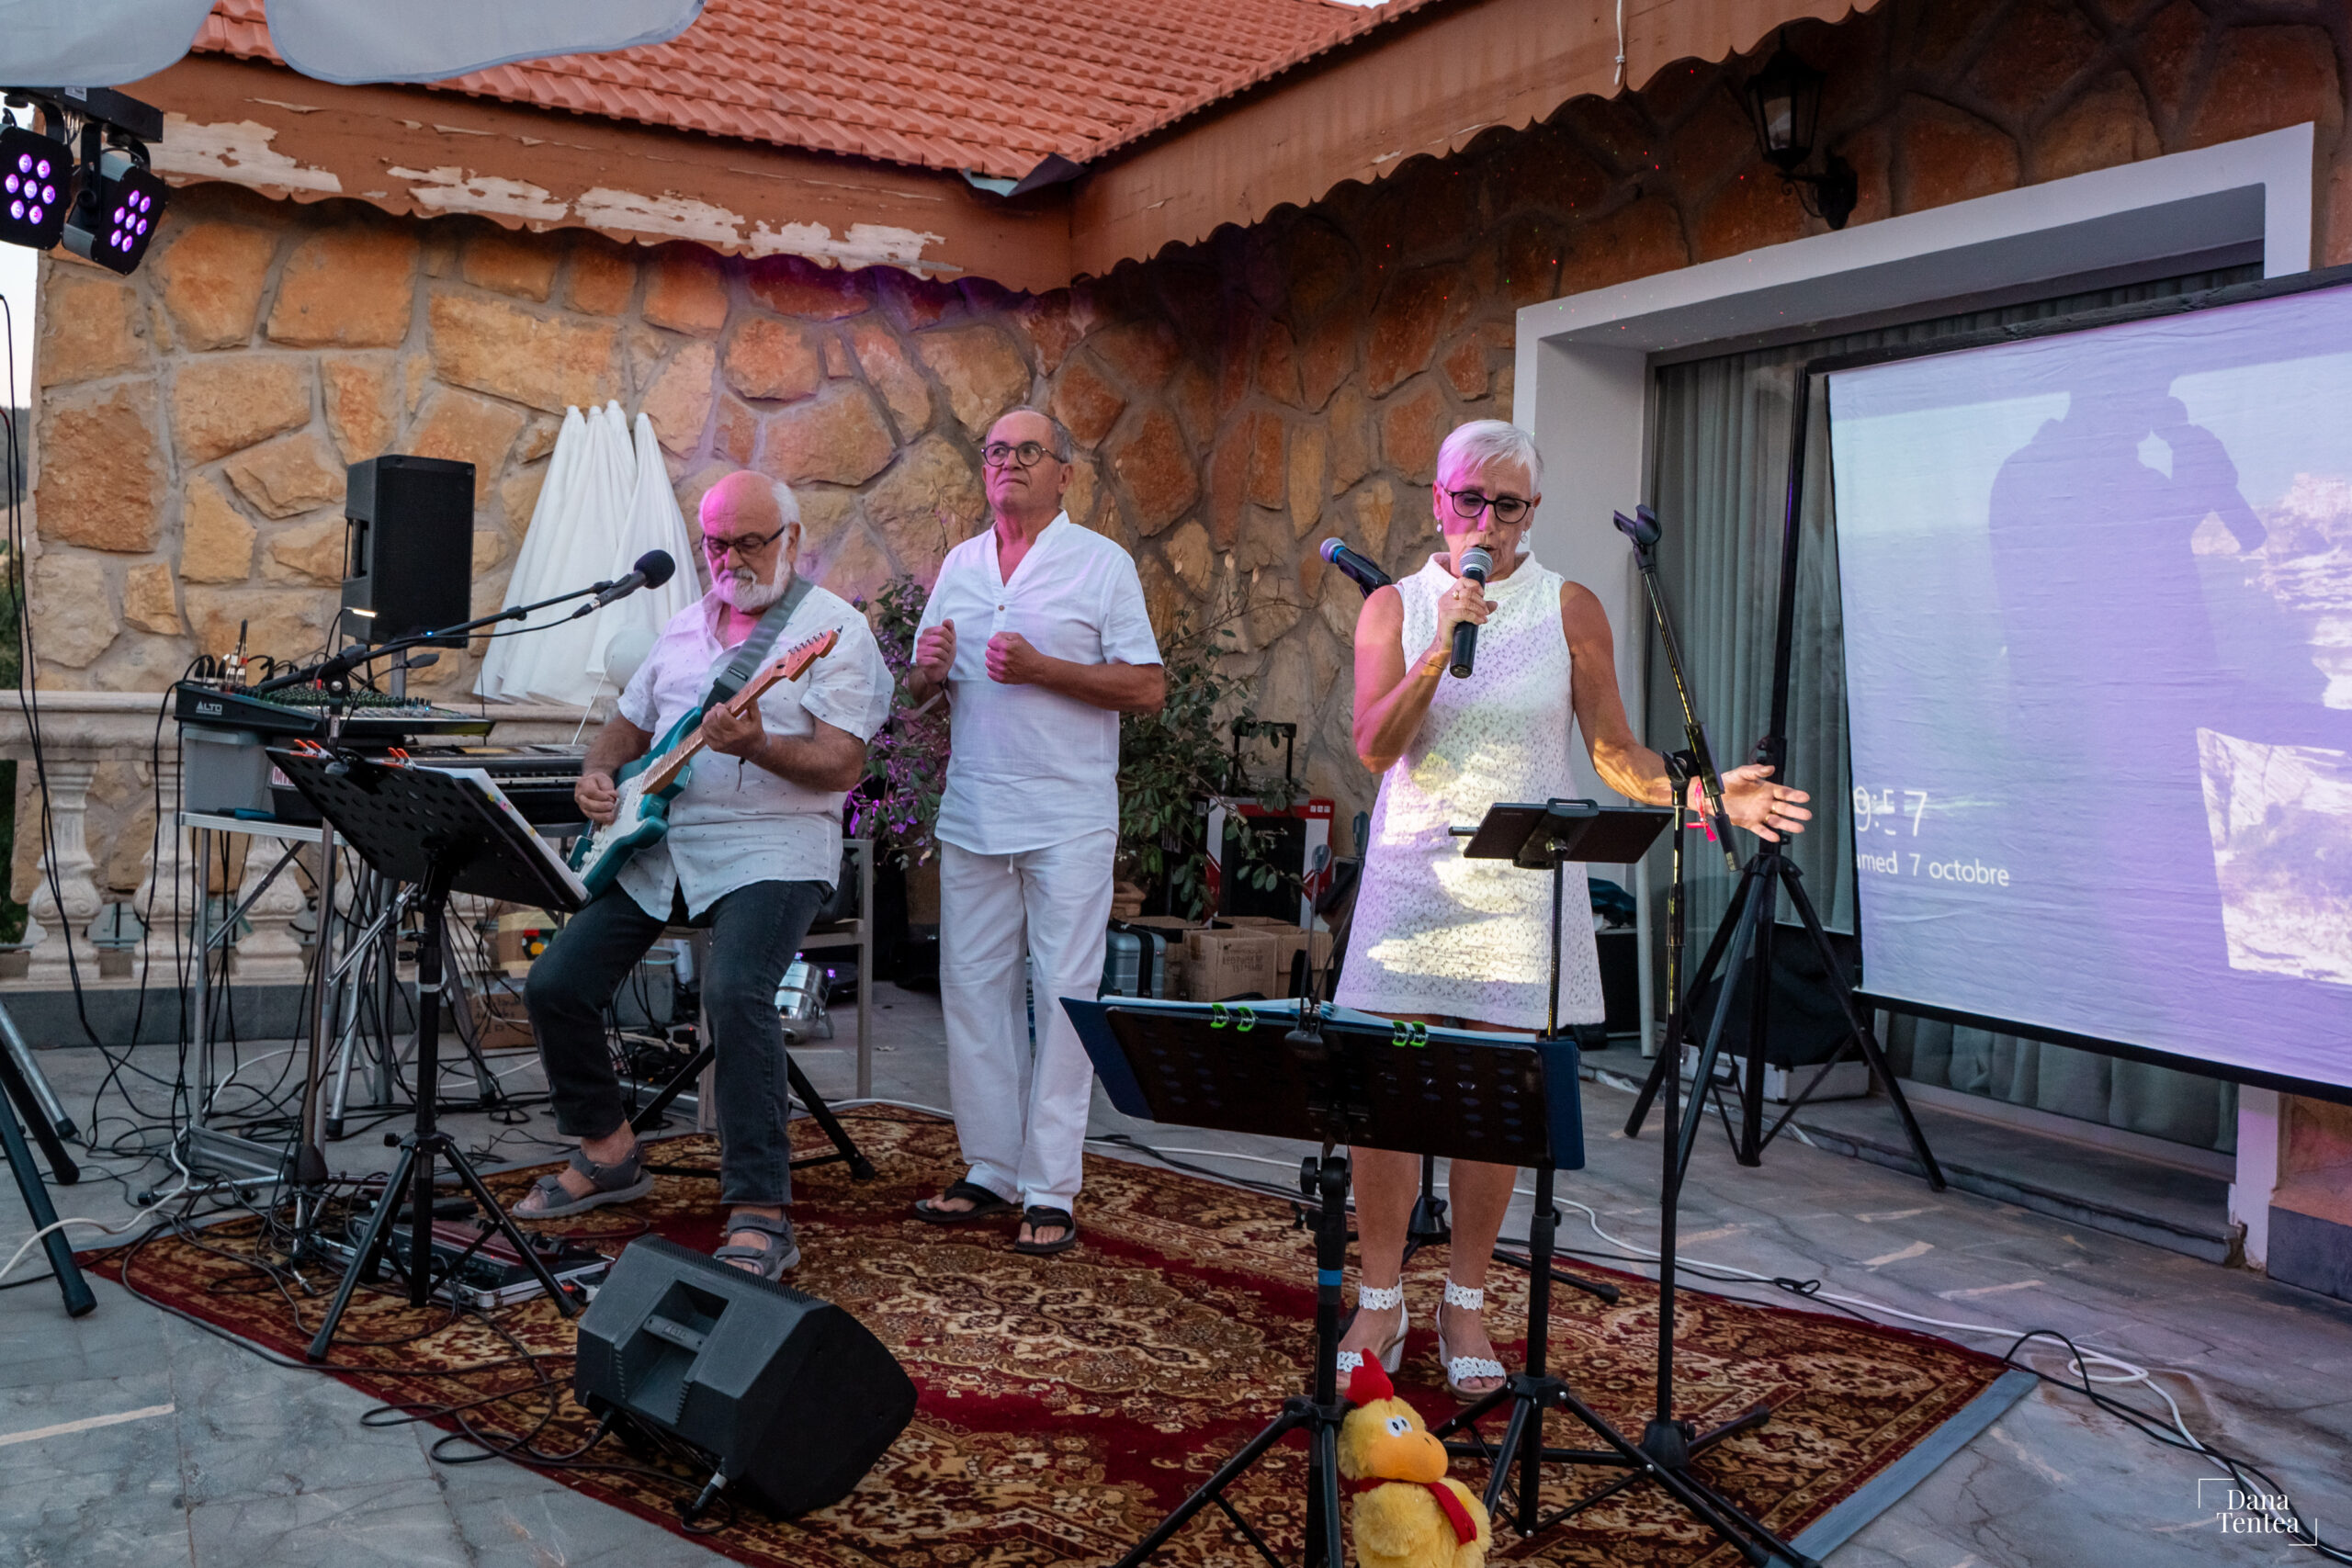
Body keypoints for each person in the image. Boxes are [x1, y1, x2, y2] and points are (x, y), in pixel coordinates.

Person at [1332, 419, 1811, 1396]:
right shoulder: (1393, 607)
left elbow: (1614, 753)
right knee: (1385, 1096)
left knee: (1490, 1102)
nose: (1487, 519)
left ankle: (1464, 1298)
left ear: (1531, 512)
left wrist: (1707, 795)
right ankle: (1378, 1294)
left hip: (1520, 883)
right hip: (1412, 882)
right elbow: (1376, 747)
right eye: (1470, 498)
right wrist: (1440, 647)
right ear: (1438, 500)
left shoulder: (1570, 607)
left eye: (1507, 503)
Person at [513, 470, 890, 1280]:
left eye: (749, 542)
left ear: (792, 538)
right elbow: (626, 726)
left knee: (735, 991)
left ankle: (761, 1207)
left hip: (773, 847)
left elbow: (842, 764)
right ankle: (609, 1151)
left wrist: (759, 745)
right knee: (555, 983)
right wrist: (597, 776)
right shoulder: (683, 627)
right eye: (716, 544)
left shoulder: (831, 631)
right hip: (665, 845)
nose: (730, 559)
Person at [904, 408, 1165, 1256]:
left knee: (1063, 996)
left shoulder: (1100, 563)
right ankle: (991, 1166)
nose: (1009, 462)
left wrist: (1044, 669)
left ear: (1064, 473)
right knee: (972, 990)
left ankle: (1050, 1185)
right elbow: (921, 690)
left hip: (1067, 815)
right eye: (996, 451)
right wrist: (927, 674)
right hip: (975, 809)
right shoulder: (962, 565)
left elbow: (1147, 687)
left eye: (1028, 450)